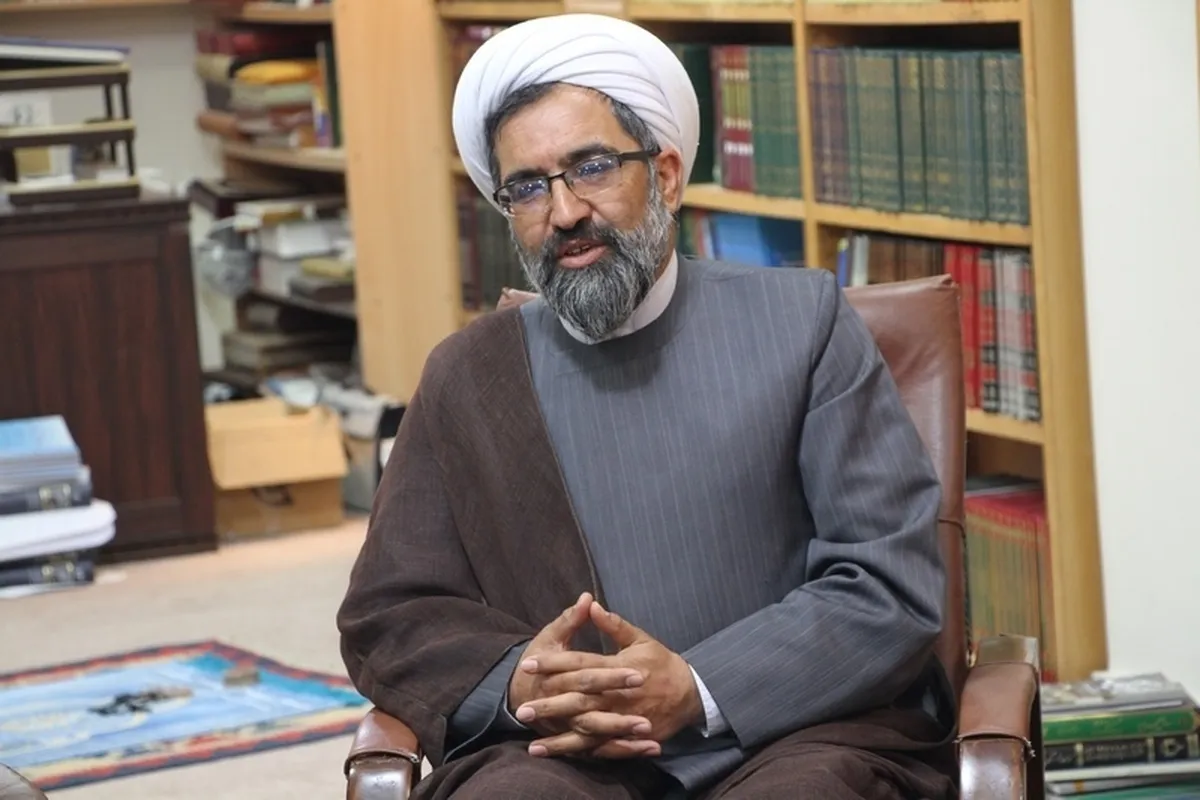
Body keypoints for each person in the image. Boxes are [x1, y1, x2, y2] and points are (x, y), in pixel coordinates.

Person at [337, 12, 958, 800]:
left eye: (592, 167)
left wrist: (697, 687)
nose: (565, 211)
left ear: (664, 174)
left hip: (792, 731)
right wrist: (522, 682)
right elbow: (391, 613)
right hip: (563, 750)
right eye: (527, 187)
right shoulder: (469, 374)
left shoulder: (803, 323)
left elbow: (887, 581)